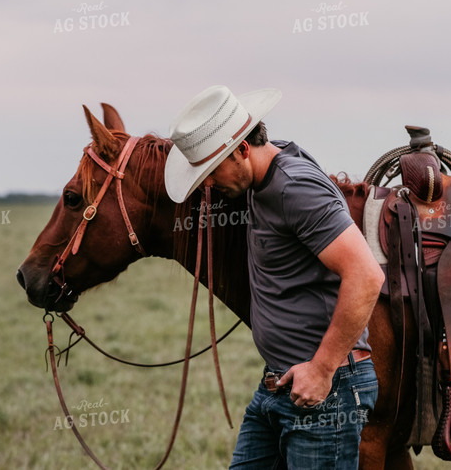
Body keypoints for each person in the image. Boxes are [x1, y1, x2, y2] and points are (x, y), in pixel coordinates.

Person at [164, 85, 384, 469]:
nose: (210, 186)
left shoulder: (294, 188)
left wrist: (321, 369)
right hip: (279, 386)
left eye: (212, 172)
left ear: (243, 150)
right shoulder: (258, 176)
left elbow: (366, 275)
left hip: (324, 392)